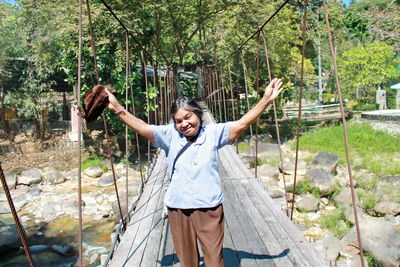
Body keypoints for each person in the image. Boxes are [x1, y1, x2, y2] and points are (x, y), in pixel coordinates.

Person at [105, 78, 284, 267]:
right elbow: (141, 128)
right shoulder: (169, 135)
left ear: (198, 115)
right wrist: (117, 107)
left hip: (209, 207)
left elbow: (241, 125)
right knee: (187, 261)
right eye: (179, 121)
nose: (184, 124)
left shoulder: (214, 133)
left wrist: (266, 100)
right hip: (179, 208)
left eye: (188, 117)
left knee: (215, 260)